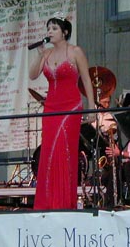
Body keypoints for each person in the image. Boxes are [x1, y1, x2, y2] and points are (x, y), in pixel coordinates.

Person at [29, 13, 95, 210]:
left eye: (54, 28)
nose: (50, 32)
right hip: (51, 107)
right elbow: (32, 76)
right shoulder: (46, 54)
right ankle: (48, 202)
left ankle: (64, 202)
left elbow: (86, 80)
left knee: (64, 151)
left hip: (71, 106)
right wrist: (40, 54)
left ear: (65, 32)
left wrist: (91, 107)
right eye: (48, 29)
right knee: (48, 151)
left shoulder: (75, 52)